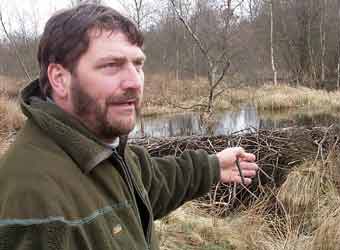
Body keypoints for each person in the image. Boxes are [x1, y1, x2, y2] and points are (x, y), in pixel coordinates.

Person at [0, 4, 258, 250]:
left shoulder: (100, 147)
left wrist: (212, 166)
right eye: (111, 65)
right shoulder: (36, 202)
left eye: (138, 64)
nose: (135, 82)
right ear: (60, 79)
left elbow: (148, 187)